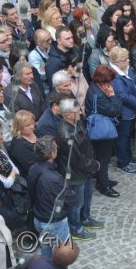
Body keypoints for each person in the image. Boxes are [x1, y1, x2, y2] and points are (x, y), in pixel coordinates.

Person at [55, 98, 103, 240]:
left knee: (87, 197)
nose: (81, 113)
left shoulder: (76, 122)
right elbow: (76, 159)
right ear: (68, 115)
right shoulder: (65, 133)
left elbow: (85, 146)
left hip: (84, 171)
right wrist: (94, 165)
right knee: (76, 203)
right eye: (77, 111)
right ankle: (76, 229)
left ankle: (85, 218)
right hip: (75, 174)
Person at [27, 136, 72, 259]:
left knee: (46, 250)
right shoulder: (54, 178)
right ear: (52, 153)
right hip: (54, 222)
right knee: (61, 255)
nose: (57, 149)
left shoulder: (32, 169)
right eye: (56, 148)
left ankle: (46, 268)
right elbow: (69, 199)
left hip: (38, 218)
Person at [86, 65, 125, 190]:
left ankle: (103, 180)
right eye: (109, 80)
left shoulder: (94, 87)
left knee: (102, 157)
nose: (111, 83)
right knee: (103, 158)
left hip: (99, 126)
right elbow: (115, 110)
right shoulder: (99, 95)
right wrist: (113, 95)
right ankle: (104, 186)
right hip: (101, 130)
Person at [110, 47, 136, 176]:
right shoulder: (114, 75)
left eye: (128, 58)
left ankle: (128, 156)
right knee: (122, 138)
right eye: (125, 59)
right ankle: (123, 162)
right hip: (124, 111)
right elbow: (122, 96)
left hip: (133, 107)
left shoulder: (128, 69)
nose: (128, 61)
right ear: (117, 62)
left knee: (128, 135)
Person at [8, 110, 38, 177]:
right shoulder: (18, 146)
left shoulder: (33, 132)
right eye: (27, 125)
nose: (32, 127)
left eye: (32, 123)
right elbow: (33, 167)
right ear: (19, 127)